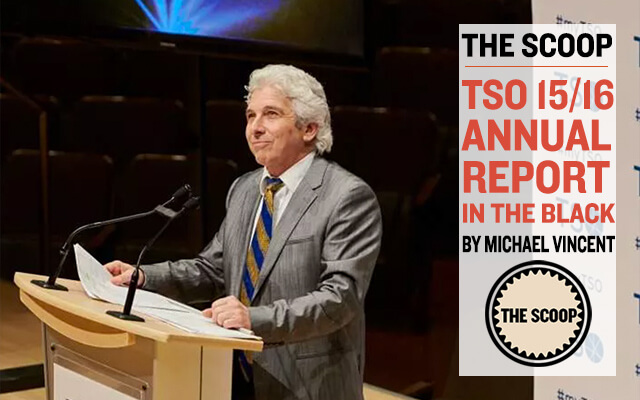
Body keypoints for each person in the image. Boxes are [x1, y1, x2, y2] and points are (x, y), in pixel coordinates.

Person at [105, 64, 382, 400]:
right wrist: (144, 277)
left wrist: (252, 319)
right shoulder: (245, 188)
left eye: (271, 114)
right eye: (251, 116)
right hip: (233, 377)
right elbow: (213, 270)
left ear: (309, 128)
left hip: (308, 385)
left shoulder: (346, 196)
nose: (255, 127)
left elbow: (340, 299)